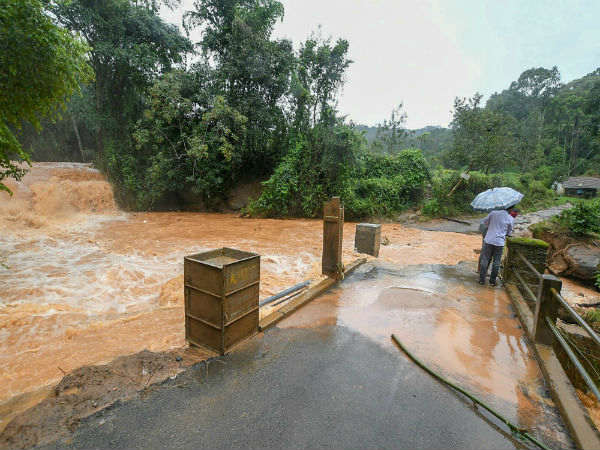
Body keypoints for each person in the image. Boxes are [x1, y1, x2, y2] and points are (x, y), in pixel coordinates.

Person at [478, 207, 516, 286]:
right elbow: (509, 231)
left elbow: (485, 222)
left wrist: (490, 226)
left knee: (485, 259)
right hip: (499, 242)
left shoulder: (493, 213)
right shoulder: (510, 218)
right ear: (510, 209)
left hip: (489, 240)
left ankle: (481, 280)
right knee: (496, 262)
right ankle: (492, 281)